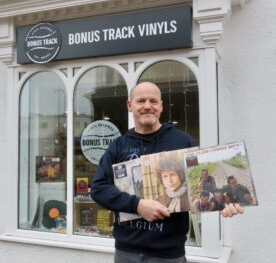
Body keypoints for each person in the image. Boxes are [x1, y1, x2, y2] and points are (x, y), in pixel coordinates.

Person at [90, 82, 244, 263]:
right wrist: (137, 205)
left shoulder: (182, 141)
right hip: (126, 252)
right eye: (141, 101)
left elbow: (199, 187)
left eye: (153, 101)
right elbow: (98, 189)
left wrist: (224, 201)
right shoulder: (118, 146)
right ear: (130, 105)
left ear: (161, 106)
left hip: (169, 254)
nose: (147, 106)